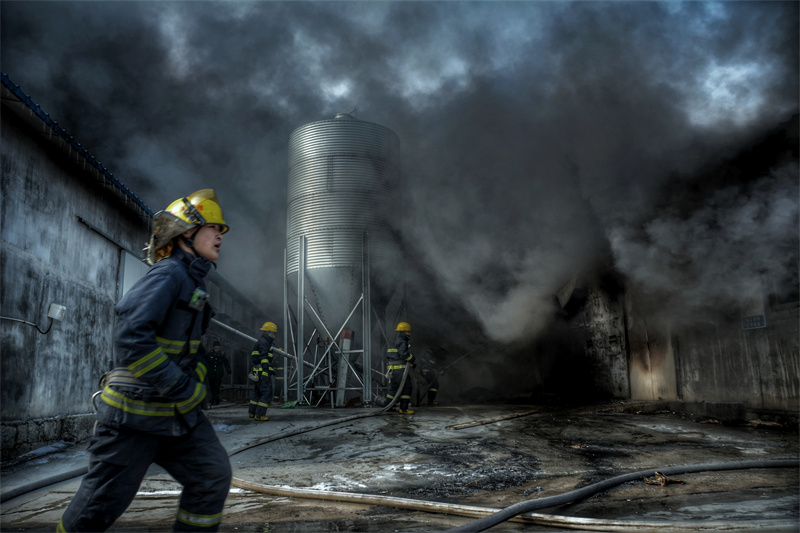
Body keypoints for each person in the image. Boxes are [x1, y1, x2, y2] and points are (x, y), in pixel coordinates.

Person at [57, 189, 233, 532]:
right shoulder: (168, 275)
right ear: (187, 232)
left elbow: (189, 349)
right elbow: (130, 338)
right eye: (214, 228)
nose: (220, 237)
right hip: (133, 416)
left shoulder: (192, 282)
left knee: (212, 476)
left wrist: (195, 382)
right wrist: (182, 386)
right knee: (99, 507)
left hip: (174, 417)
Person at [249, 321, 277, 421]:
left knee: (257, 392)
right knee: (267, 392)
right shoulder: (265, 343)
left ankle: (252, 413)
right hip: (262, 371)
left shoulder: (260, 341)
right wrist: (265, 371)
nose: (274, 336)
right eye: (273, 333)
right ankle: (260, 415)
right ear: (267, 333)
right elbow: (264, 358)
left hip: (257, 371)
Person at [386, 322, 416, 415]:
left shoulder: (395, 340)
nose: (409, 333)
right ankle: (403, 409)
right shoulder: (402, 340)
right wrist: (412, 359)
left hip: (393, 369)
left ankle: (389, 406)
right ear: (403, 332)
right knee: (407, 387)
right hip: (399, 370)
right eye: (408, 331)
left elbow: (396, 356)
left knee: (394, 388)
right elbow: (404, 355)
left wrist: (410, 365)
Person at [207, 341, 231, 406]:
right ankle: (216, 399)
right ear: (213, 348)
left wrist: (229, 371)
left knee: (216, 387)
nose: (216, 349)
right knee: (212, 387)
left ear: (219, 348)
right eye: (215, 348)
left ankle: (214, 401)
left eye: (217, 348)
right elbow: (207, 363)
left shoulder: (222, 354)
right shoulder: (209, 354)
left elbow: (226, 363)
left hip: (218, 374)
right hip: (211, 374)